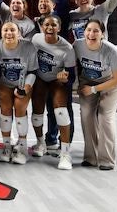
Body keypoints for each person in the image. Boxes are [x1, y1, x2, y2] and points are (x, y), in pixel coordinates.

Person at [73, 19, 117, 170]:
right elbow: (69, 62)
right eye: (89, 30)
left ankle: (107, 160)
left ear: (102, 34)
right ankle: (91, 157)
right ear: (84, 32)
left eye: (96, 31)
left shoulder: (111, 50)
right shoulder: (78, 45)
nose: (91, 33)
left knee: (104, 115)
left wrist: (94, 90)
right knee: (87, 114)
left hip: (112, 83)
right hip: (89, 81)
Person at [0, 21, 38, 164]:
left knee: (20, 108)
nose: (9, 33)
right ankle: (6, 147)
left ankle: (22, 148)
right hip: (5, 83)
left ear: (19, 33)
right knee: (5, 109)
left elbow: (32, 71)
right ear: (1, 33)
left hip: (24, 82)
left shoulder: (28, 46)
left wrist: (26, 87)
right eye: (5, 30)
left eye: (12, 30)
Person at [30, 16, 76, 169]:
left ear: (59, 27)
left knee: (61, 111)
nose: (50, 27)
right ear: (42, 27)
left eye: (53, 25)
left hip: (57, 80)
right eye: (47, 25)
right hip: (40, 78)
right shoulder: (36, 39)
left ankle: (65, 153)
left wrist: (65, 79)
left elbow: (72, 77)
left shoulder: (67, 48)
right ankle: (40, 143)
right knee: (37, 111)